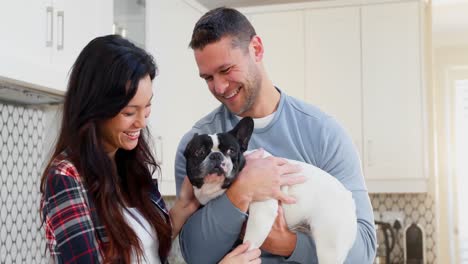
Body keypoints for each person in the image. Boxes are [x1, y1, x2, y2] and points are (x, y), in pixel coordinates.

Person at [174, 7, 377, 264]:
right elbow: (195, 255)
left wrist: (289, 245)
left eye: (226, 70)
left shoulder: (325, 135)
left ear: (256, 49)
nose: (219, 87)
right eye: (208, 78)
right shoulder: (197, 145)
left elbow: (365, 252)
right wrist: (241, 190)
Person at [40, 34, 261, 264]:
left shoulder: (130, 164)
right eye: (129, 112)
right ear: (94, 108)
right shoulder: (66, 176)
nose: (141, 123)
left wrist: (185, 205)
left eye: (147, 107)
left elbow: (150, 248)